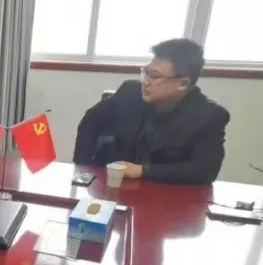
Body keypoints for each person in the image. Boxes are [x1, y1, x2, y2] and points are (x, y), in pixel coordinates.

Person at [73, 39, 230, 185]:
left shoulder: (209, 116)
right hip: (118, 186)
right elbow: (90, 123)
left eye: (154, 76)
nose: (145, 81)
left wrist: (141, 171)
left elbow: (203, 171)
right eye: (146, 72)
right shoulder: (129, 93)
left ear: (182, 84)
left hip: (166, 194)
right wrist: (83, 169)